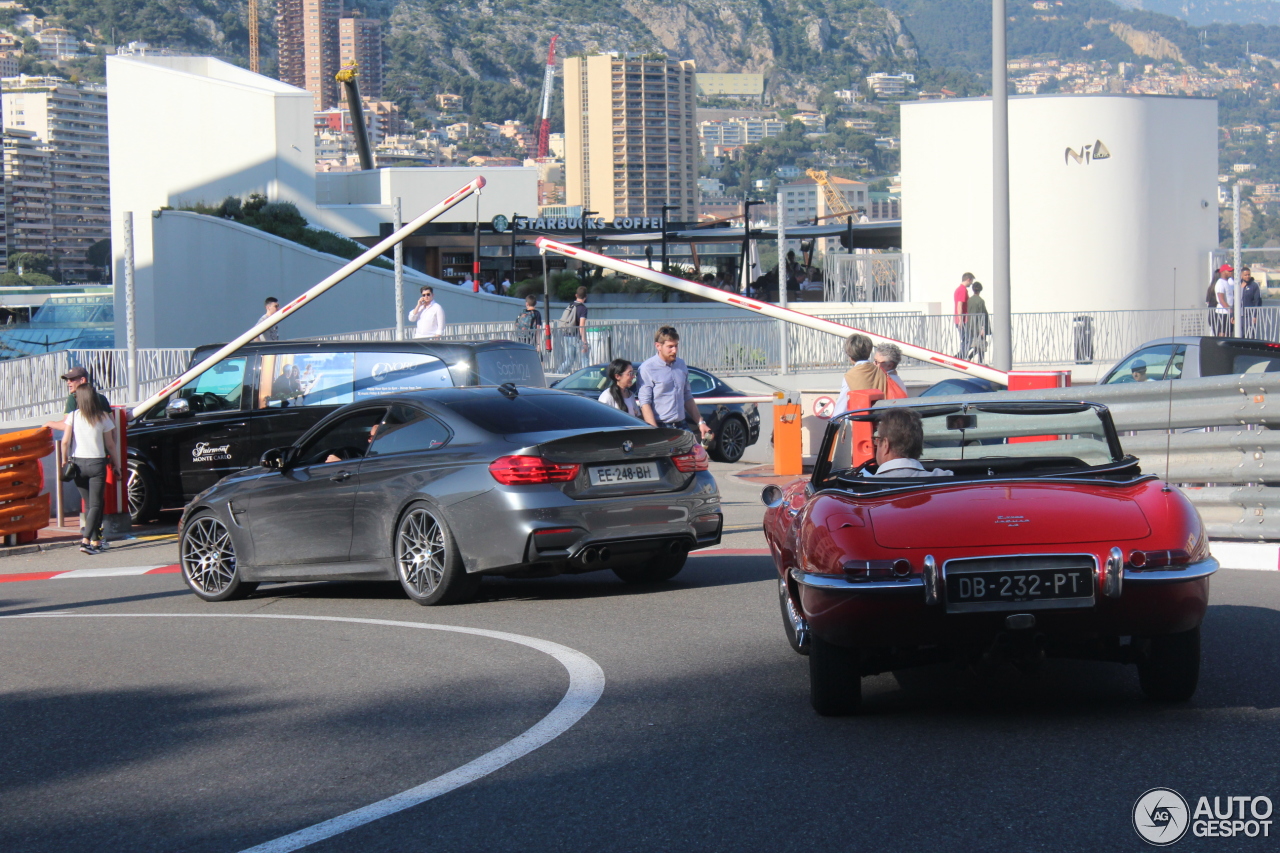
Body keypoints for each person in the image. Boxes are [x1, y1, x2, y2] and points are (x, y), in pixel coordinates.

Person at [61, 384, 123, 554]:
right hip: (97, 463)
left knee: (89, 505)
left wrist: (64, 460)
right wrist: (117, 465)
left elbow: (65, 441)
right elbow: (110, 445)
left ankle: (95, 541)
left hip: (78, 464)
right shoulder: (103, 417)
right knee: (96, 504)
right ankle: (85, 540)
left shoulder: (73, 416)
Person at [637, 326, 713, 440]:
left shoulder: (681, 364)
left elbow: (687, 396)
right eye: (670, 347)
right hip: (661, 426)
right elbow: (645, 403)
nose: (675, 350)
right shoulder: (647, 368)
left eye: (676, 345)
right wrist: (654, 431)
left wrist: (701, 422)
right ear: (658, 346)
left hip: (681, 424)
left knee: (696, 455)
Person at [863, 408, 953, 479]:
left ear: (886, 444)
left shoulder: (864, 489)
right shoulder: (946, 479)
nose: (876, 444)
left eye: (877, 440)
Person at [834, 334, 889, 414]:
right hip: (883, 418)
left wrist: (833, 422)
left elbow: (841, 406)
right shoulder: (881, 371)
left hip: (862, 420)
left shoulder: (850, 376)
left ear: (850, 355)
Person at [45, 366, 109, 432]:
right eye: (67, 380)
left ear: (82, 380)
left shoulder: (73, 397)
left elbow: (66, 425)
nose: (68, 382)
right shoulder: (102, 398)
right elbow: (112, 426)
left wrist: (50, 423)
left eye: (72, 379)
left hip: (80, 441)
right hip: (100, 441)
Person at [557, 286, 589, 373]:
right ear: (585, 297)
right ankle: (586, 376)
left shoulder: (570, 305)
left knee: (569, 360)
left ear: (576, 295)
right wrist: (584, 342)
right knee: (584, 359)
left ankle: (558, 373)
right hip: (576, 337)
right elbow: (581, 326)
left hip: (566, 335)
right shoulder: (583, 308)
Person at [966, 281, 990, 362]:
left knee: (976, 344)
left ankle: (969, 357)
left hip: (970, 326)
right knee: (981, 345)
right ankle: (979, 361)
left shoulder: (969, 300)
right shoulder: (980, 301)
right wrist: (983, 328)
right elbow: (982, 314)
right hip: (979, 326)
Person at [954, 273, 973, 358]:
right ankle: (960, 357)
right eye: (971, 281)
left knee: (966, 339)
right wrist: (961, 319)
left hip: (961, 319)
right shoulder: (962, 290)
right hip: (962, 320)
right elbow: (960, 305)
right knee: (967, 339)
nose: (971, 283)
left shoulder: (959, 289)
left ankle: (960, 356)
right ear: (968, 279)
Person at [1240, 266, 1262, 338]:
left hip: (1250, 314)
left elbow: (1257, 301)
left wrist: (1255, 315)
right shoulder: (1238, 285)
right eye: (1245, 275)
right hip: (1240, 314)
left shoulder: (1254, 285)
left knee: (1250, 334)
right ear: (1241, 276)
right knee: (1240, 334)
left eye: (1249, 274)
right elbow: (1235, 300)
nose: (1247, 276)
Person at [1215, 263, 1235, 336]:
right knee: (1222, 331)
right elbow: (1221, 299)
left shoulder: (1227, 282)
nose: (1230, 272)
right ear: (1223, 272)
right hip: (1222, 312)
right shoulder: (1220, 283)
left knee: (1229, 331)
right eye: (1229, 271)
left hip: (1228, 312)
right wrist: (1231, 311)